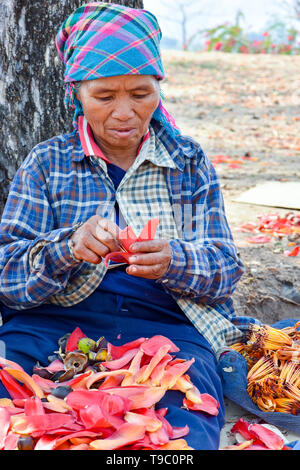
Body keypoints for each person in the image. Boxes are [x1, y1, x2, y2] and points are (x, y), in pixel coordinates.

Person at [0, 2, 251, 450]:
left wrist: (176, 260)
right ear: (75, 93)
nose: (124, 113)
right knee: (13, 403)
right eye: (104, 96)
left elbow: (223, 269)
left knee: (183, 424)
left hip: (167, 328)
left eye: (140, 94)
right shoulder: (47, 165)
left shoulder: (185, 165)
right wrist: (68, 248)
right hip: (52, 322)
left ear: (159, 89)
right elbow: (8, 279)